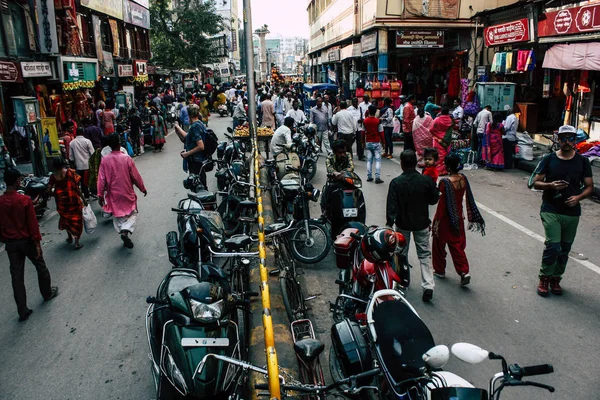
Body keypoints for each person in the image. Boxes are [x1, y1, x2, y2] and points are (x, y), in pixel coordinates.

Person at [530, 125, 593, 297]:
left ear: (575, 141)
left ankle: (556, 279)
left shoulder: (582, 162)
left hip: (572, 213)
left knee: (565, 248)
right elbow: (535, 182)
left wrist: (578, 198)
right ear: (558, 139)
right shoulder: (549, 159)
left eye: (570, 138)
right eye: (563, 138)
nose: (566, 142)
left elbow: (589, 187)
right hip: (550, 209)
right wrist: (550, 185)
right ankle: (544, 278)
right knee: (553, 246)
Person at [0, 168, 58, 322]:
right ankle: (47, 293)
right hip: (26, 241)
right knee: (40, 265)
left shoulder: (1, 202)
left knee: (16, 277)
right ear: (18, 181)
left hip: (11, 244)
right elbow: (33, 225)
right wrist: (37, 243)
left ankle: (22, 309)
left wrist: (5, 238)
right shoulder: (24, 200)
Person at [386, 150, 439, 302]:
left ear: (402, 164)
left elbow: (391, 206)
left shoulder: (396, 182)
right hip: (421, 223)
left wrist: (389, 223)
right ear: (416, 163)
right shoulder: (426, 181)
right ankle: (428, 285)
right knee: (424, 254)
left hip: (402, 224)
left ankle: (402, 282)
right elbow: (433, 200)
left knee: (401, 253)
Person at [432, 153, 486, 286]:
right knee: (456, 245)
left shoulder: (445, 183)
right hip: (458, 217)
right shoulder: (463, 178)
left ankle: (439, 270)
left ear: (448, 166)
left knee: (438, 245)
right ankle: (464, 271)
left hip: (445, 219)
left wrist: (436, 222)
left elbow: (442, 206)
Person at [97, 134, 147, 249]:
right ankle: (125, 231)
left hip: (113, 194)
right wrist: (142, 188)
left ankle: (123, 231)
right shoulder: (126, 158)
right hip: (127, 191)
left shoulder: (105, 160)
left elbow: (101, 179)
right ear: (119, 144)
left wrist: (100, 195)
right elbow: (135, 176)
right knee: (132, 212)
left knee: (118, 215)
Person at [48, 156, 87, 249]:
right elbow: (77, 188)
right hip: (73, 200)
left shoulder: (53, 176)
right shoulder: (70, 172)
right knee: (77, 220)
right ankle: (76, 241)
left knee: (65, 219)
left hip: (61, 202)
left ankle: (69, 237)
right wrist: (84, 200)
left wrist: (55, 195)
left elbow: (48, 190)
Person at [174, 104, 209, 186]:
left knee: (199, 185)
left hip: (196, 161)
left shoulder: (195, 126)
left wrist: (187, 154)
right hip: (198, 160)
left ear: (189, 115)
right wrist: (178, 129)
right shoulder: (199, 123)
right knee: (200, 183)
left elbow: (201, 146)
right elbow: (188, 137)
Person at [321, 140, 355, 218]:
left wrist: (343, 173)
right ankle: (326, 211)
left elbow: (351, 167)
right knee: (329, 191)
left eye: (344, 152)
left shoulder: (348, 155)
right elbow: (329, 168)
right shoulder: (330, 157)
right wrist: (335, 173)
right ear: (335, 152)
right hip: (334, 181)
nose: (343, 154)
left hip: (347, 180)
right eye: (340, 153)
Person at [69, 127, 94, 198]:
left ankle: (84, 195)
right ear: (83, 133)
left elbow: (71, 157)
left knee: (81, 181)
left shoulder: (72, 143)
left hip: (78, 166)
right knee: (88, 180)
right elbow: (92, 153)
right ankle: (90, 193)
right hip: (87, 165)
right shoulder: (87, 141)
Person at [363, 105, 384, 184]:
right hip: (376, 142)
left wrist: (362, 142)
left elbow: (362, 132)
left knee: (369, 160)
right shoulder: (378, 121)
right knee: (378, 160)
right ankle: (377, 177)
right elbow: (381, 133)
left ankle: (369, 176)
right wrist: (383, 142)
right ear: (375, 111)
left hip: (368, 142)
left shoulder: (365, 121)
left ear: (368, 110)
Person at [431, 107, 454, 176]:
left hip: (437, 140)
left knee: (437, 155)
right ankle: (443, 170)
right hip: (446, 141)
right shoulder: (450, 120)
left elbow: (431, 129)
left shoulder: (437, 119)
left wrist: (436, 135)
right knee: (444, 155)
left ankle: (437, 170)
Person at [357, 95, 372, 161]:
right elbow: (360, 113)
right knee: (362, 136)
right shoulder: (361, 105)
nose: (366, 100)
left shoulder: (370, 104)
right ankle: (360, 152)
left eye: (367, 98)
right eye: (365, 98)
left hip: (369, 121)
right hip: (362, 121)